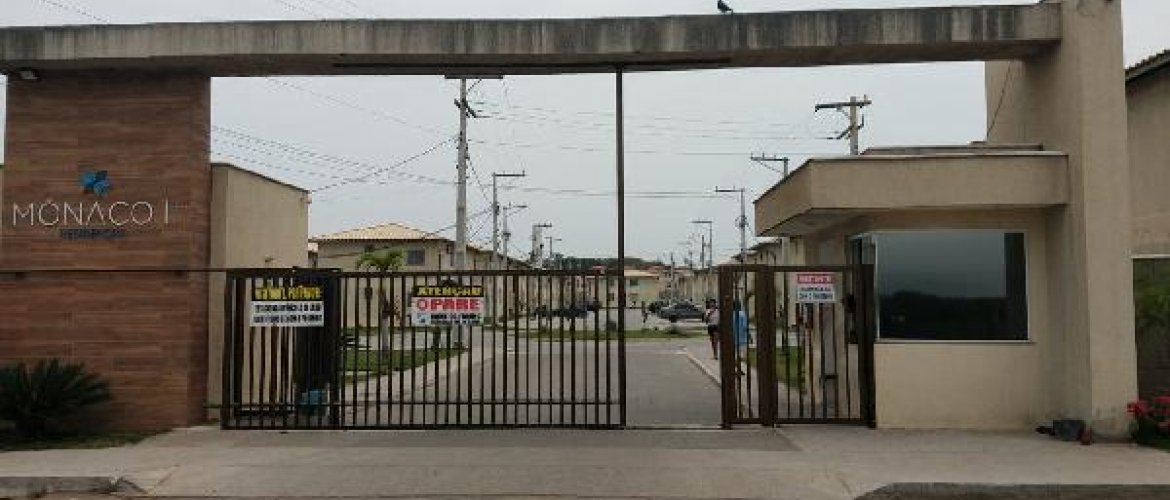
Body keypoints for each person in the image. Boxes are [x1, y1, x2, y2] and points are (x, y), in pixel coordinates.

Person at [732, 300, 750, 374]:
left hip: (733, 338)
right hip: (742, 338)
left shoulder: (731, 315)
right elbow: (745, 326)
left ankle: (737, 368)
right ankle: (738, 368)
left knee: (736, 355)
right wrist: (749, 335)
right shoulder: (742, 314)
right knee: (741, 356)